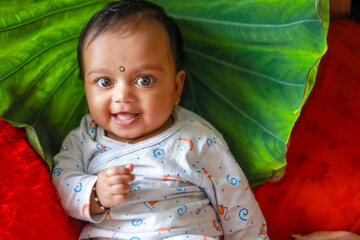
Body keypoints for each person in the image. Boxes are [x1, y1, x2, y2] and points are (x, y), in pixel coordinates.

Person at [52, 1, 268, 239]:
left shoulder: (198, 139)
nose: (122, 96)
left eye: (144, 80)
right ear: (85, 87)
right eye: (105, 82)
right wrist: (95, 193)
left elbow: (237, 204)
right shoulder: (84, 137)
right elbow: (61, 183)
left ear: (176, 87)